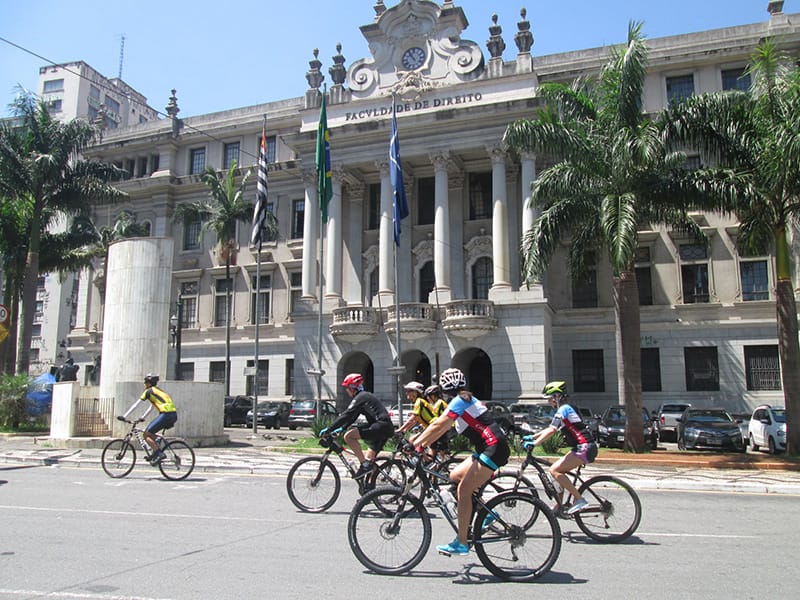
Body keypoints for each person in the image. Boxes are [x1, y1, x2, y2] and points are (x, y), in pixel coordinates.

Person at [409, 367, 510, 557]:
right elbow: (441, 427)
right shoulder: (464, 399)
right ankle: (487, 514)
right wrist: (421, 442)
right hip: (488, 447)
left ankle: (462, 542)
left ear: (444, 388)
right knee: (455, 476)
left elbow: (439, 424)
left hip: (493, 448)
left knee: (464, 490)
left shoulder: (459, 401)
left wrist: (416, 443)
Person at [525, 380, 598, 515]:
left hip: (584, 447)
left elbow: (552, 430)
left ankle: (579, 499)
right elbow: (550, 428)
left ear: (557, 396)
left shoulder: (564, 409)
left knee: (554, 470)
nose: (549, 402)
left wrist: (535, 444)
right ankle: (559, 505)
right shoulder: (566, 408)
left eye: (550, 398)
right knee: (556, 473)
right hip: (582, 447)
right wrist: (532, 437)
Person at [320, 373, 395, 479]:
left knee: (349, 436)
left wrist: (329, 429)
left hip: (380, 426)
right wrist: (342, 428)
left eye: (347, 388)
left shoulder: (361, 397)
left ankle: (364, 465)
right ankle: (370, 485)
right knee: (369, 459)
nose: (346, 390)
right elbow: (352, 417)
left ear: (352, 387)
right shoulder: (363, 397)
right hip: (383, 427)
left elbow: (347, 414)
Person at [118, 374, 177, 465]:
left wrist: (124, 416)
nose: (144, 384)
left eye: (145, 382)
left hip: (166, 414)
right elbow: (152, 407)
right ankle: (154, 453)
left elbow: (136, 404)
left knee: (146, 435)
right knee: (151, 434)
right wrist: (143, 417)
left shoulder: (148, 391)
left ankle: (159, 454)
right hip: (172, 415)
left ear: (149, 383)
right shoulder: (158, 391)